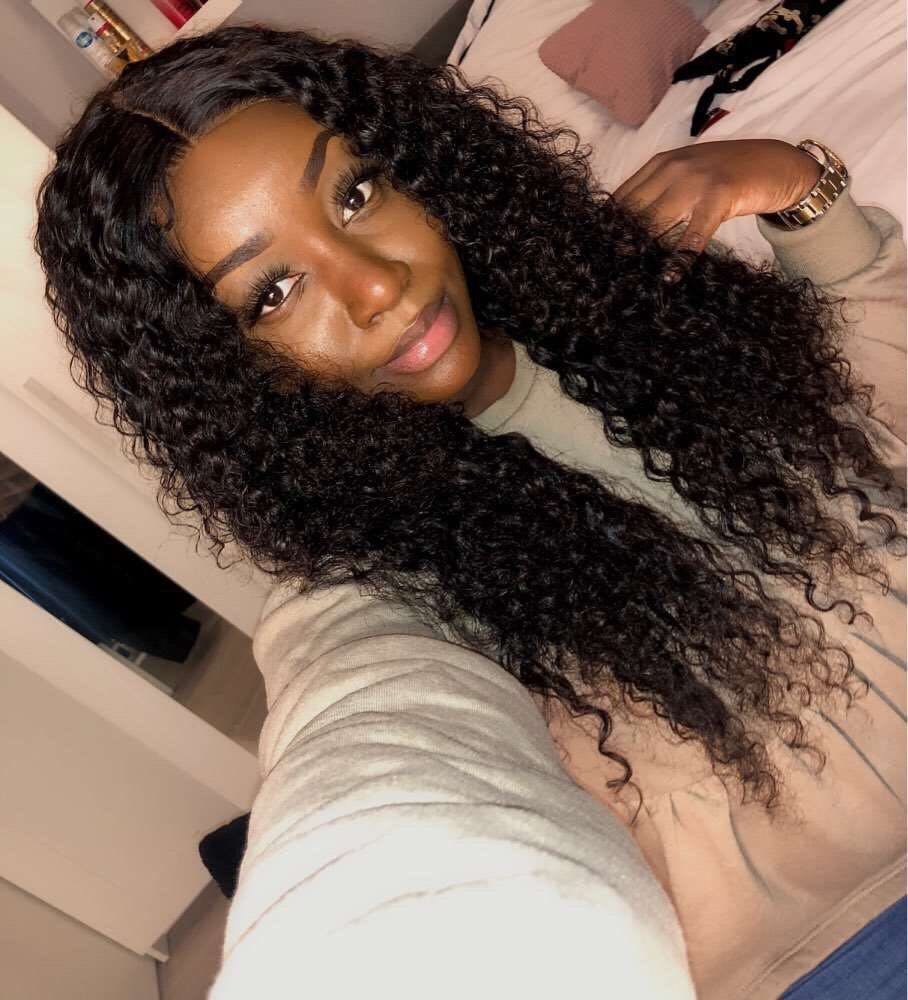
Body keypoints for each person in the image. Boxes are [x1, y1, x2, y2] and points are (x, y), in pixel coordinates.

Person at [34, 25, 905, 1000]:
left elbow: (877, 392)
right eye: (273, 291)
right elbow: (367, 722)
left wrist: (796, 183)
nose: (375, 283)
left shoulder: (640, 305)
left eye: (355, 195)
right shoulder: (385, 594)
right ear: (222, 372)